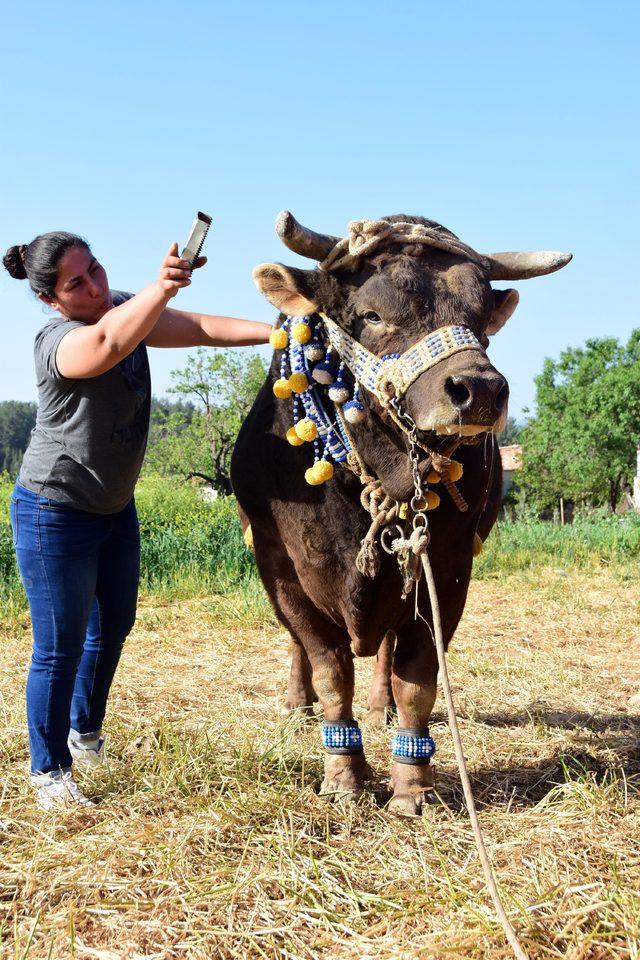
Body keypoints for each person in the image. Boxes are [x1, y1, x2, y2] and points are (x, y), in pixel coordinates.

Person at [3, 231, 273, 810]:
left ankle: (86, 733)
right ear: (53, 299)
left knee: (114, 625)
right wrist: (158, 289)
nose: (96, 286)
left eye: (96, 269)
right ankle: (48, 771)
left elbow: (195, 328)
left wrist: (276, 333)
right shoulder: (57, 339)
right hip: (54, 510)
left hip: (112, 508)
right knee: (59, 645)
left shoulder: (124, 306)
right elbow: (107, 343)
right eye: (78, 283)